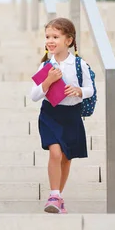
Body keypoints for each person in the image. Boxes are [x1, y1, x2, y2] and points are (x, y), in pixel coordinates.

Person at [30, 17, 94, 214]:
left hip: (71, 115)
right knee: (55, 152)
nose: (50, 40)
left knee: (66, 157)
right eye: (48, 36)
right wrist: (48, 81)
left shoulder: (79, 64)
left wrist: (79, 91)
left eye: (55, 36)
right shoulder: (45, 67)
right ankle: (54, 193)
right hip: (50, 114)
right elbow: (34, 95)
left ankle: (59, 197)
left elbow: (90, 89)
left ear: (69, 40)